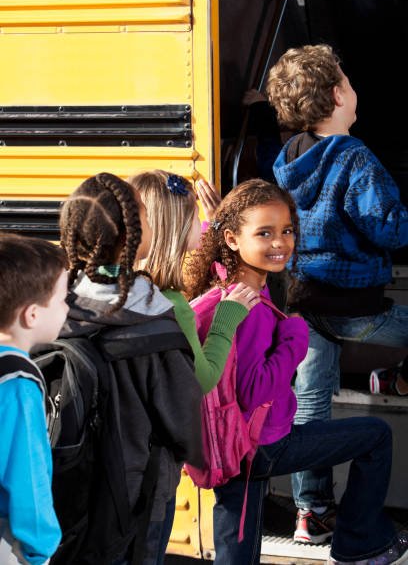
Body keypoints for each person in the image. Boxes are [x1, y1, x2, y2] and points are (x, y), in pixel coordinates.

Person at [184, 178, 408, 565]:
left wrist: (216, 222)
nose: (280, 243)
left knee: (236, 549)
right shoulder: (250, 307)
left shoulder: (230, 280)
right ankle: (358, 544)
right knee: (376, 436)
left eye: (286, 230)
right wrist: (295, 340)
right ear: (235, 240)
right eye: (265, 233)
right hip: (263, 447)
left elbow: (220, 246)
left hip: (232, 444)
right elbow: (254, 391)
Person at [266, 44, 408, 544]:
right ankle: (397, 377)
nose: (354, 89)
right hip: (355, 308)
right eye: (347, 81)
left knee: (309, 407)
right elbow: (388, 229)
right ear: (335, 95)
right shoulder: (355, 156)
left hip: (304, 304)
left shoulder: (288, 158)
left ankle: (312, 513)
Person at [58, 172, 203, 565]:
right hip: (139, 491)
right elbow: (186, 419)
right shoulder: (153, 317)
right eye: (143, 217)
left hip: (67, 483)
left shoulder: (53, 311)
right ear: (131, 237)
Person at [128, 169, 260, 564]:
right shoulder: (174, 305)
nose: (198, 224)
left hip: (123, 452)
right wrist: (226, 320)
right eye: (193, 217)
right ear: (176, 227)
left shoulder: (132, 288)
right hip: (156, 464)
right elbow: (200, 380)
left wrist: (218, 222)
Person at [0, 234, 67, 565]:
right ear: (32, 315)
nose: (67, 309)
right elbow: (27, 478)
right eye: (62, 300)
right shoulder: (19, 382)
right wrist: (41, 549)